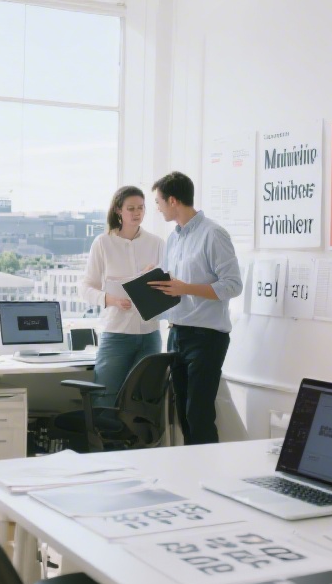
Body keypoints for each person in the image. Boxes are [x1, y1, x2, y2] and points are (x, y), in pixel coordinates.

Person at [148, 171, 242, 445]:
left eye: (158, 202)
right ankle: (190, 477)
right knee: (183, 416)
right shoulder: (173, 239)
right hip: (176, 334)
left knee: (198, 414)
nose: (157, 207)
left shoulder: (213, 234)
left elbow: (233, 285)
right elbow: (173, 285)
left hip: (206, 338)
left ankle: (206, 476)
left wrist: (185, 288)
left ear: (173, 201)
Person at [79, 186, 165, 407]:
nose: (137, 213)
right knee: (105, 398)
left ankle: (136, 444)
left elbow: (169, 286)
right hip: (116, 334)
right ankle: (106, 442)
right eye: (131, 208)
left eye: (141, 208)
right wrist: (112, 300)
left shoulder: (156, 243)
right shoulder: (103, 243)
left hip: (150, 334)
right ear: (118, 210)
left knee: (145, 402)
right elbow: (86, 288)